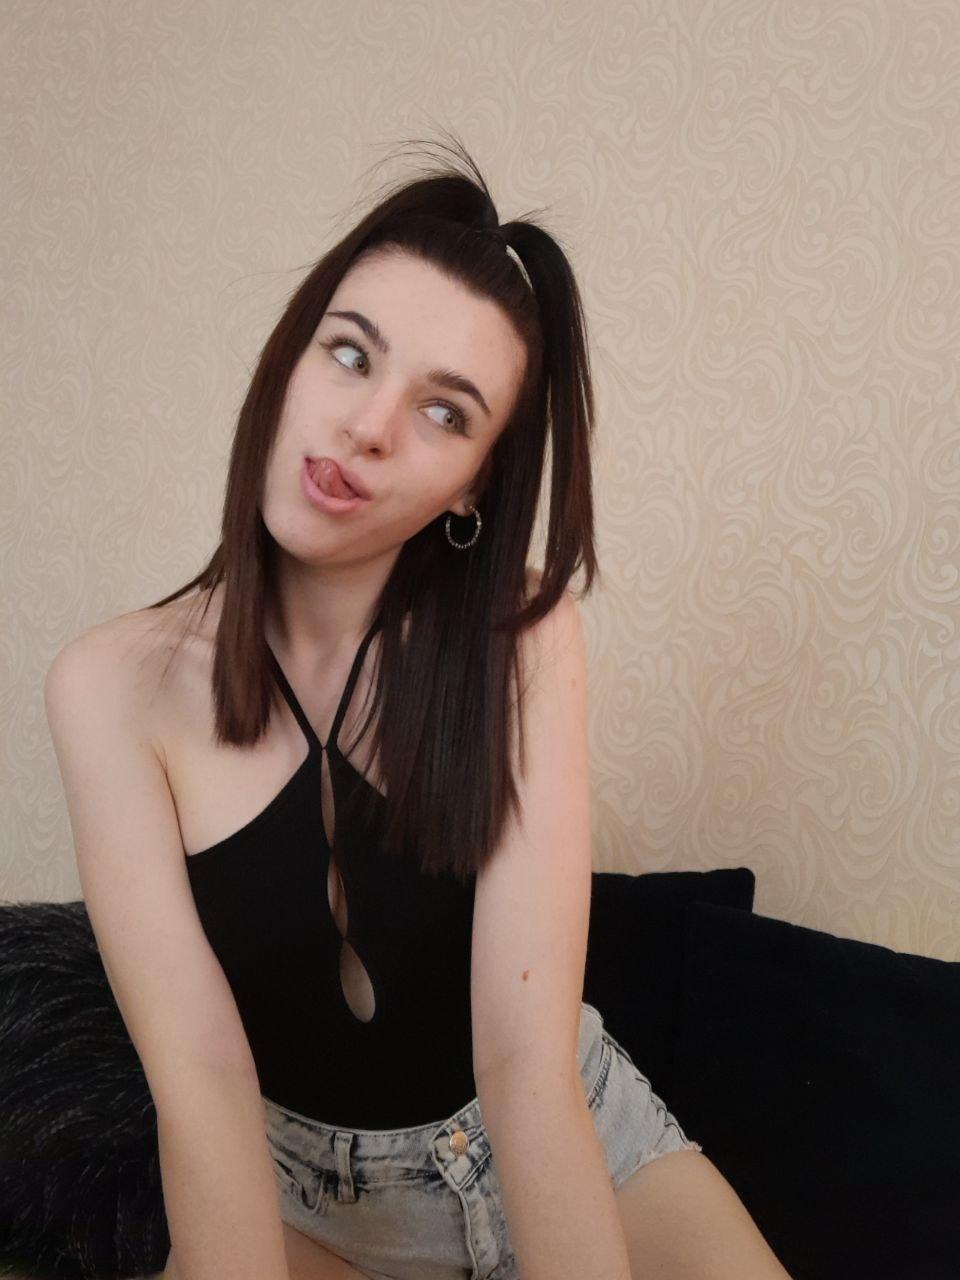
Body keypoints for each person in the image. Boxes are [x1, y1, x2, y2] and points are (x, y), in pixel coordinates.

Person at [44, 134, 791, 1280]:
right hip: (312, 1202)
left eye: (446, 413)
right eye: (350, 354)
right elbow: (200, 1078)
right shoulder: (109, 688)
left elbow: (525, 1062)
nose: (368, 426)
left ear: (475, 481)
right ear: (293, 353)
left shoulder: (521, 641)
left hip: (575, 1131)